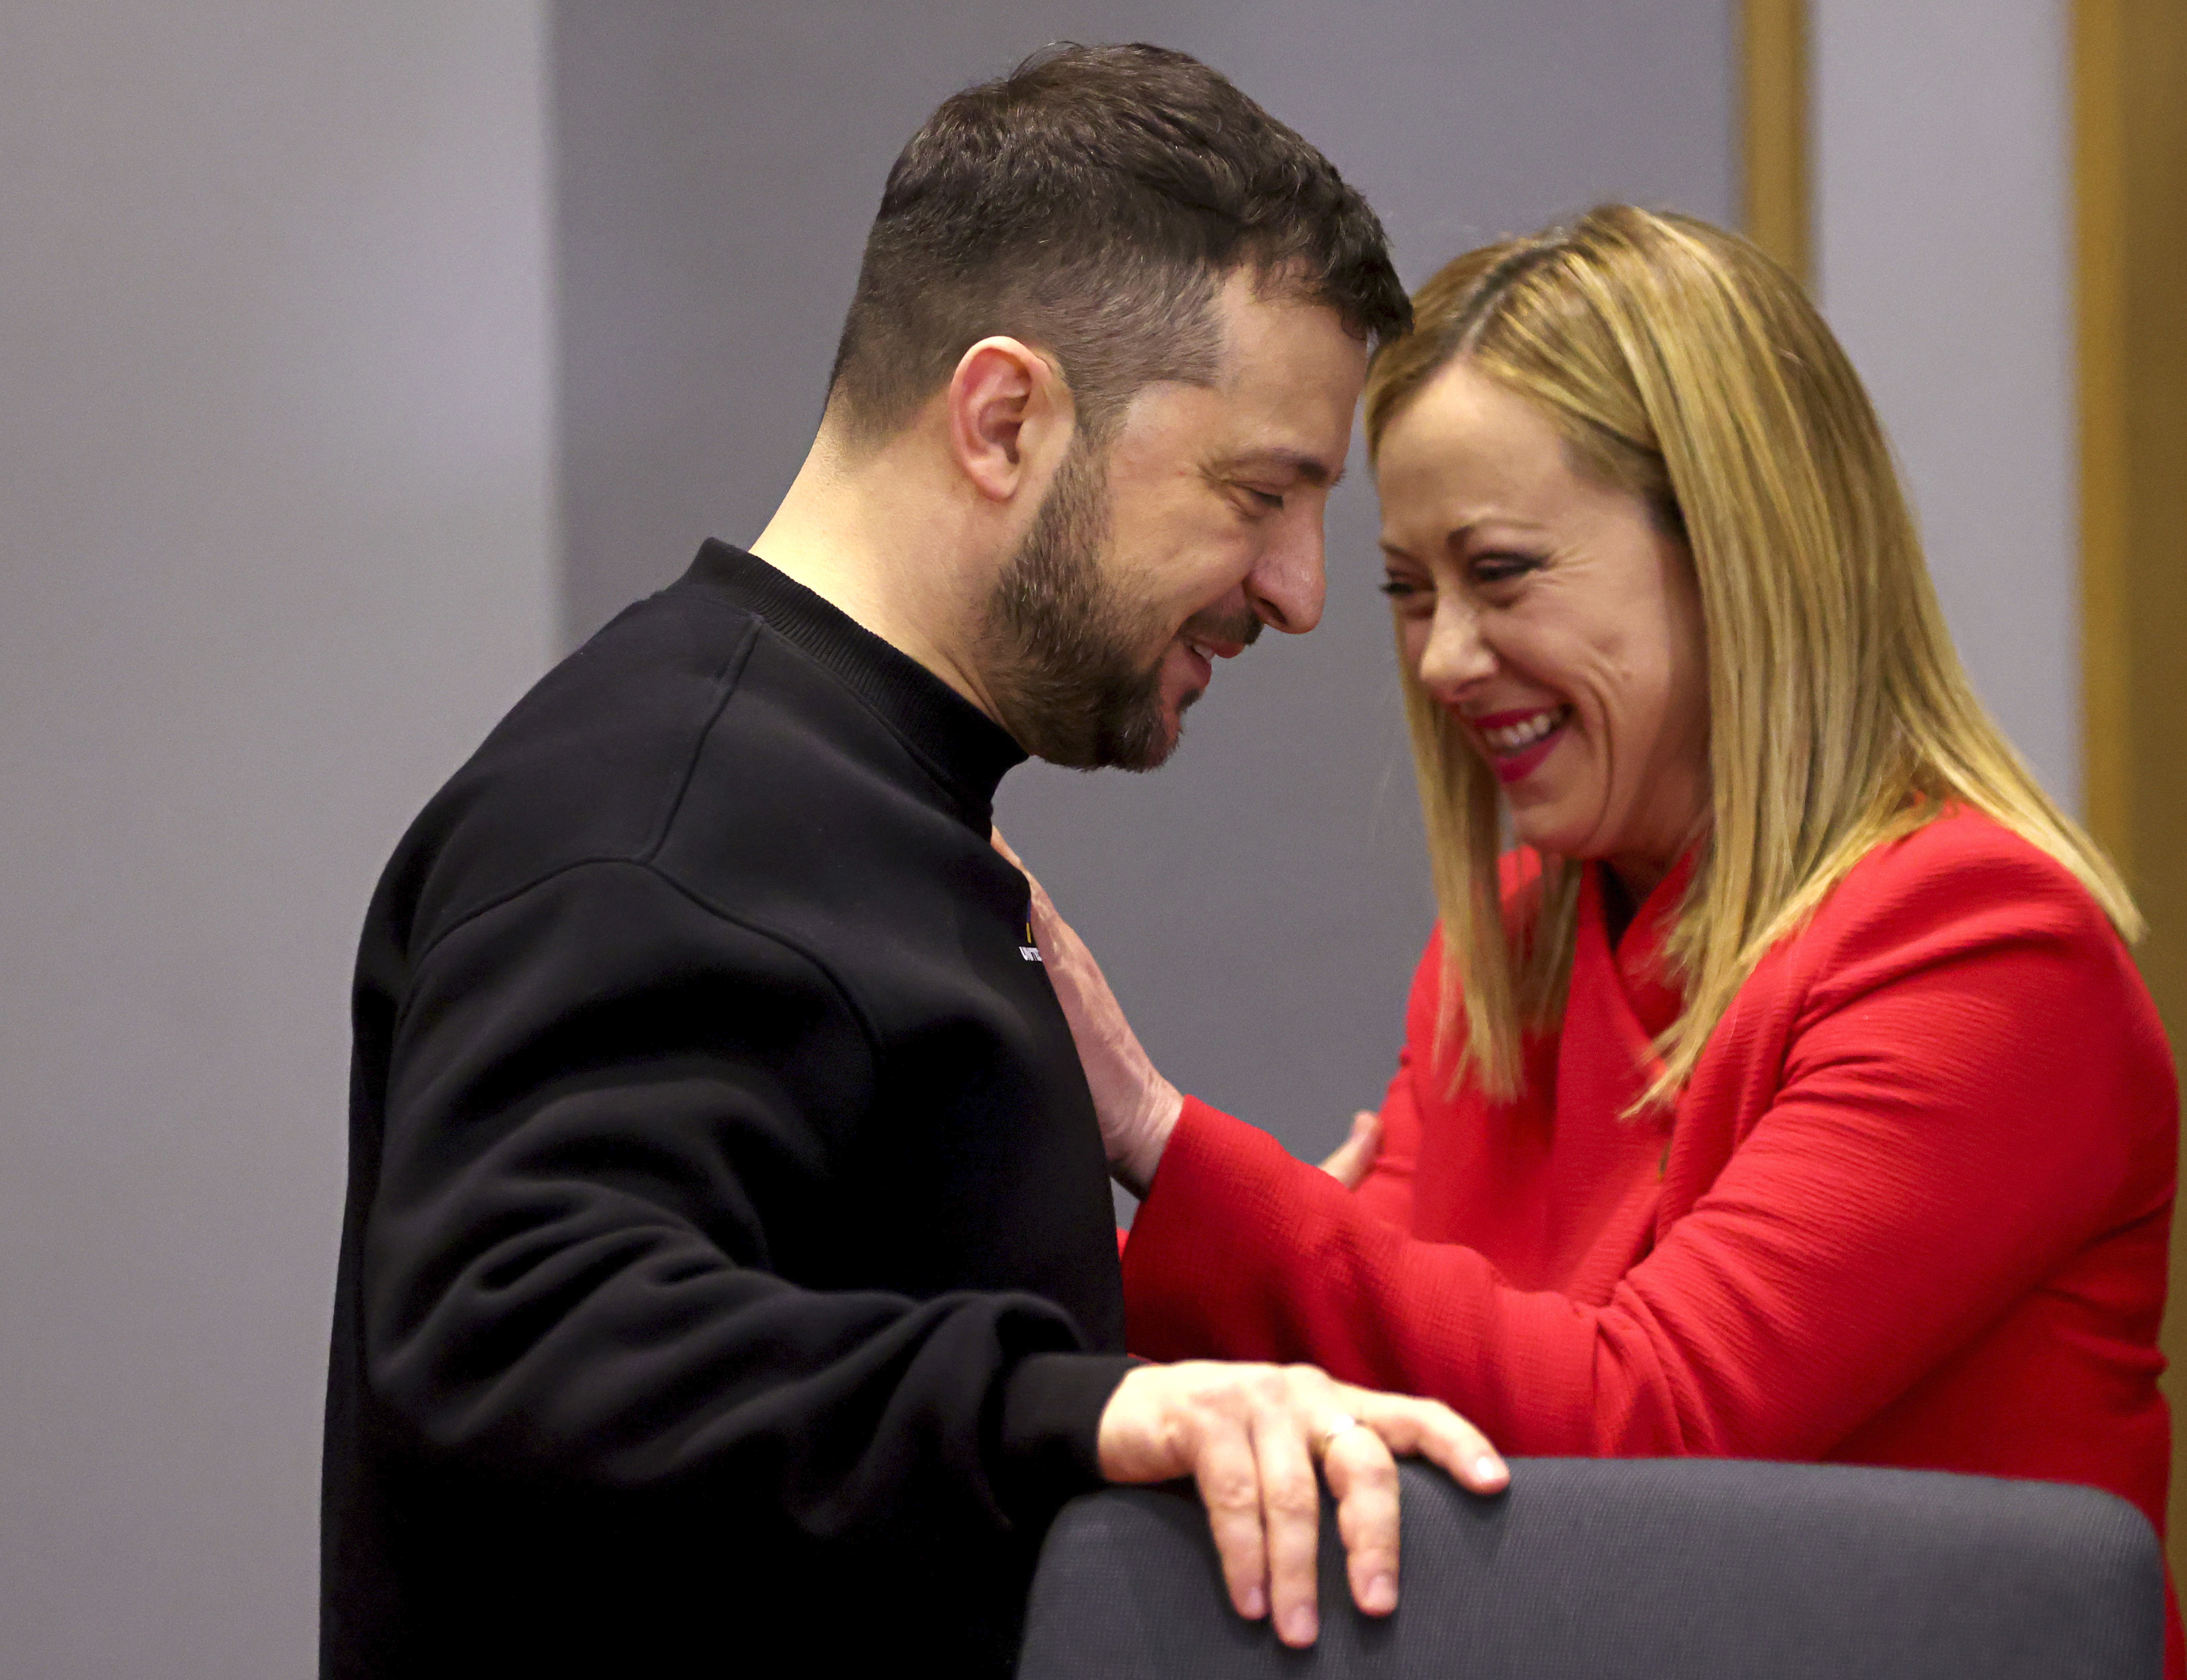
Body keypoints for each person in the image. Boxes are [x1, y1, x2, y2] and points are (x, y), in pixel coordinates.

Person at [319, 45, 1506, 1680]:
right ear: (1005, 417)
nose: (1300, 591)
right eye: (1260, 494)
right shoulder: (669, 814)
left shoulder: (848, 802)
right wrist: (1073, 1409)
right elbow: (518, 1338)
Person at [1026, 205, 2187, 1675]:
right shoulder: (1518, 943)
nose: (1445, 657)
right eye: (1409, 593)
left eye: (1502, 573)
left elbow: (1649, 1431)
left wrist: (1155, 1133)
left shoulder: (1988, 955)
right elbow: (1398, 1383)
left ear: (1743, 553)